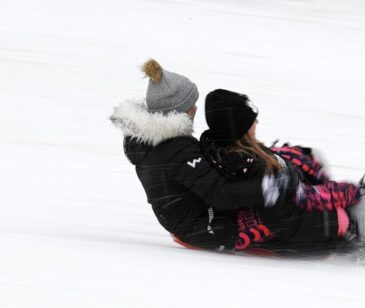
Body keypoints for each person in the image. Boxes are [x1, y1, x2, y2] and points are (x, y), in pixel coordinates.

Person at [199, 88, 365, 267]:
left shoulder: (232, 153)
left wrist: (298, 160)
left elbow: (289, 186)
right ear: (239, 129)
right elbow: (304, 199)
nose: (258, 124)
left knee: (316, 161)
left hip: (305, 218)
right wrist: (351, 193)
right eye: (252, 122)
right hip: (316, 228)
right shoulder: (252, 167)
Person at [109, 59, 299, 251]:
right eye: (191, 105)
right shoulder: (176, 151)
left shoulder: (153, 143)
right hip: (205, 228)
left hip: (195, 218)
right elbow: (220, 194)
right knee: (289, 215)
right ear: (178, 111)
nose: (196, 109)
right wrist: (268, 188)